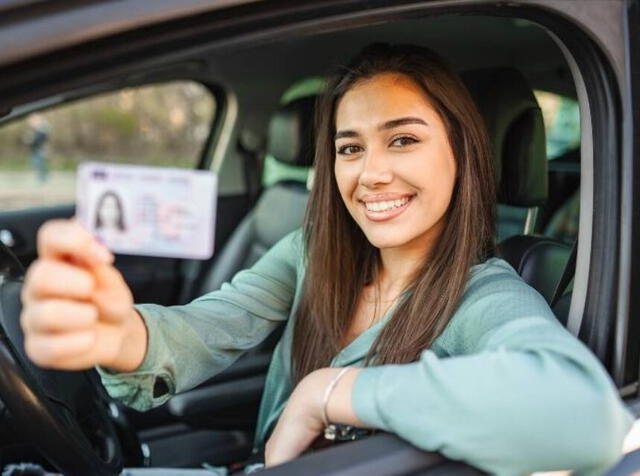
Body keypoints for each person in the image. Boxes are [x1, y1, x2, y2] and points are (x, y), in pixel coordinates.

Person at [19, 44, 633, 476]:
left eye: (403, 139)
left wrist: (326, 391)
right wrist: (117, 332)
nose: (371, 173)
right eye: (349, 148)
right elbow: (211, 324)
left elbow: (582, 416)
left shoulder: (486, 295)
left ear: (463, 154)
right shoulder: (312, 252)